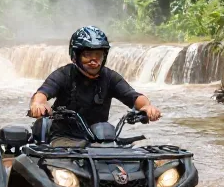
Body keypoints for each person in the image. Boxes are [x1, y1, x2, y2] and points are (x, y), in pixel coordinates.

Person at [28, 26, 161, 139]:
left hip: (100, 139)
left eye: (98, 55)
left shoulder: (110, 77)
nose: (93, 60)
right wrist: (38, 104)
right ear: (75, 56)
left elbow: (134, 96)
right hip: (63, 138)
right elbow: (43, 92)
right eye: (87, 54)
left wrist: (148, 107)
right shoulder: (64, 74)